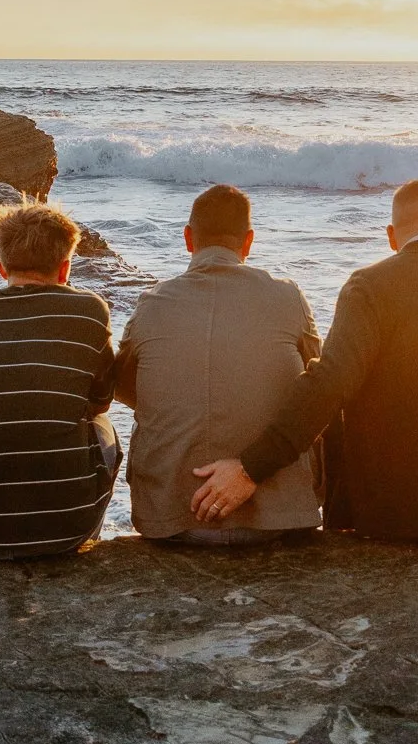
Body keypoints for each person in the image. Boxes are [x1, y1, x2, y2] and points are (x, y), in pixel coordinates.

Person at [189, 178, 418, 541]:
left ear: (392, 236)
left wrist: (250, 468)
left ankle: (336, 524)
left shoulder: (370, 286)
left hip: (399, 509)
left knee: (339, 384)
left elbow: (329, 384)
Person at [113, 183, 321, 546]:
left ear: (188, 238)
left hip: (173, 520)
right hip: (276, 522)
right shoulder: (288, 296)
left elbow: (128, 389)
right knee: (318, 394)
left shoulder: (152, 303)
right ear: (248, 241)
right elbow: (318, 386)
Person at [0, 198, 120, 560]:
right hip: (67, 532)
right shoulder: (90, 311)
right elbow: (100, 403)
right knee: (104, 427)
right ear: (65, 270)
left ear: (0, 266)